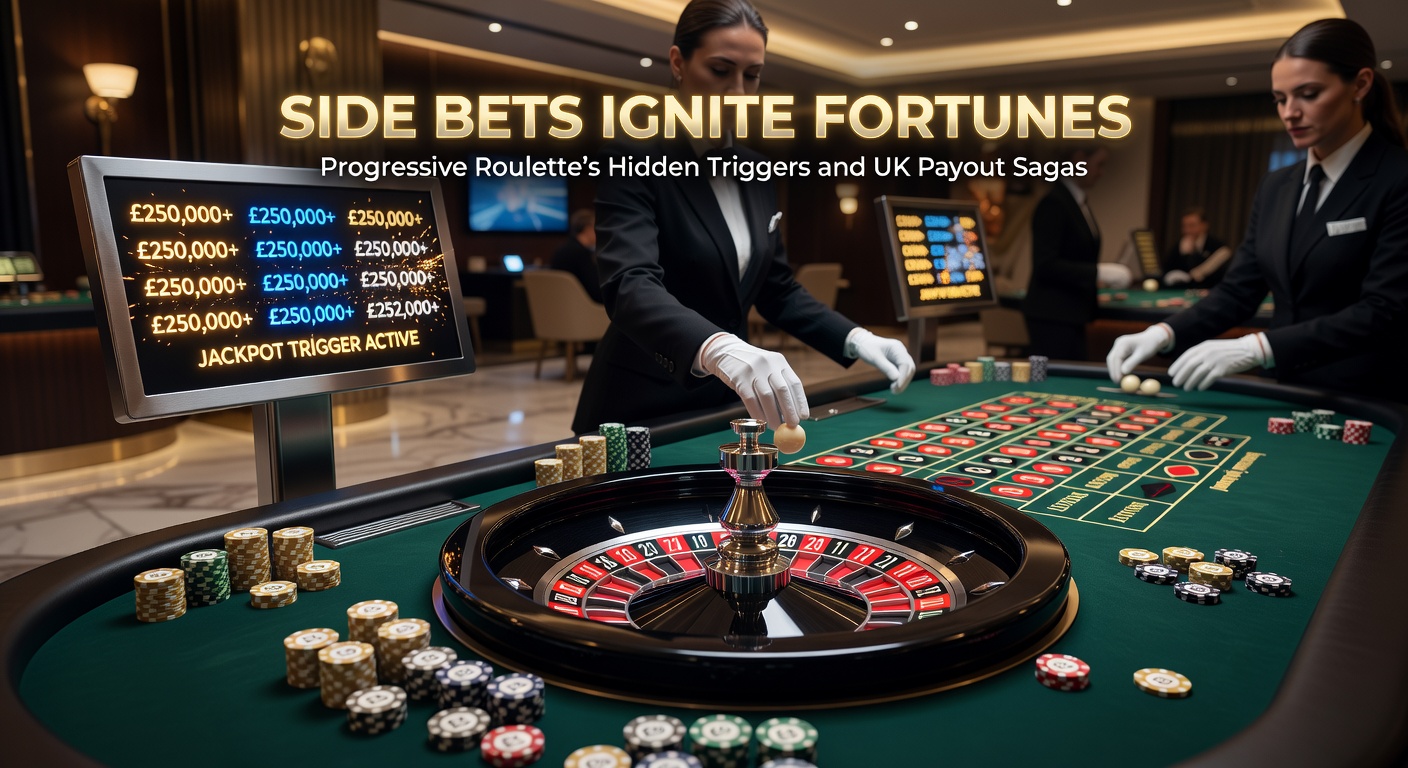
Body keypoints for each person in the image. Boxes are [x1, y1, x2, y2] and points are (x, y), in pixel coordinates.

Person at [571, 0, 914, 434]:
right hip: (641, 408)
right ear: (678, 62)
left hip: (727, 406)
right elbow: (630, 284)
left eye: (751, 76)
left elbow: (778, 288)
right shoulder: (632, 155)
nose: (737, 91)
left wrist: (856, 338)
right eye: (720, 70)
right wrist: (715, 346)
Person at [1108, 18, 1408, 401]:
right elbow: (1238, 290)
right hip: (1289, 391)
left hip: (1372, 400)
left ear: (1361, 84)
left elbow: (1385, 311)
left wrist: (1259, 348)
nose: (1289, 113)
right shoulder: (1276, 185)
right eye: (1280, 99)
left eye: (1308, 94)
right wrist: (1164, 333)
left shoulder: (1398, 178)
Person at [1021, 146, 1132, 361]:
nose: (1101, 172)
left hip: (1073, 312)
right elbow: (1045, 264)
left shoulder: (1078, 202)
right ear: (1080, 159)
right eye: (1099, 164)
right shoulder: (1054, 203)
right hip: (1052, 314)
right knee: (1054, 384)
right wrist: (1098, 272)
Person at [1161, 207, 1232, 288]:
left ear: (1204, 225)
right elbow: (1166, 270)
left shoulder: (1219, 248)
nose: (1187, 230)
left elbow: (1202, 277)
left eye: (1192, 225)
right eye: (1184, 226)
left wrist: (1189, 256)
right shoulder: (1179, 245)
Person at [550, 209, 604, 303]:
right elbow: (596, 292)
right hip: (582, 310)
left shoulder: (562, 249)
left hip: (562, 307)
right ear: (588, 229)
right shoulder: (580, 253)